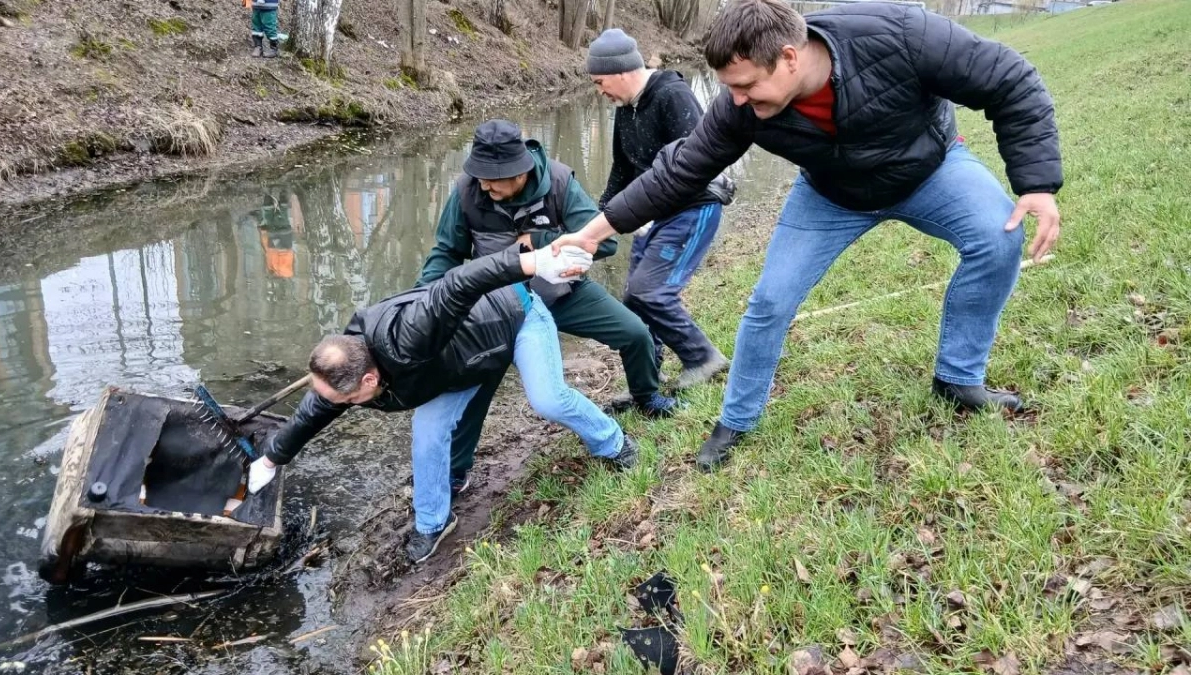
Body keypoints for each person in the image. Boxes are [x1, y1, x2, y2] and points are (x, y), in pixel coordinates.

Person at [551, 0, 1062, 471]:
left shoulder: (901, 33)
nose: (735, 100)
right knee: (769, 301)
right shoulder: (738, 108)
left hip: (928, 170)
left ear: (790, 58)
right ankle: (737, 420)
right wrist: (593, 233)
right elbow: (676, 173)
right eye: (729, 87)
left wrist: (1035, 184)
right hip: (830, 194)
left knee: (999, 238)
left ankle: (958, 377)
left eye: (747, 86)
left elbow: (1010, 81)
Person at [248, 245, 640, 564]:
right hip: (459, 366)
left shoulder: (410, 334)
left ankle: (614, 443)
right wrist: (270, 461)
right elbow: (315, 411)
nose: (340, 406)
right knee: (428, 434)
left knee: (548, 399)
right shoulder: (347, 367)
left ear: (369, 380)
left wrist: (532, 262)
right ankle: (434, 523)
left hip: (518, 317)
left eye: (347, 400)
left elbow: (459, 283)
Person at [415, 119, 678, 497]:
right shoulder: (466, 193)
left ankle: (646, 395)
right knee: (473, 385)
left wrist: (543, 240)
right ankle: (457, 472)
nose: (485, 185)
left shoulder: (558, 183)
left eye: (493, 178)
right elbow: (445, 254)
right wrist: (421, 301)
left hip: (561, 295)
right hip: (497, 310)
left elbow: (604, 244)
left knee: (634, 333)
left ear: (519, 171)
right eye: (480, 176)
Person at [586, 28, 736, 391]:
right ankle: (645, 380)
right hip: (650, 214)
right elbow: (622, 171)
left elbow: (698, 165)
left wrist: (646, 211)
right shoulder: (626, 108)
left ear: (621, 72)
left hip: (692, 208)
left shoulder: (673, 95)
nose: (599, 91)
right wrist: (595, 222)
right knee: (633, 302)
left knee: (649, 291)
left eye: (600, 81)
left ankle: (703, 358)